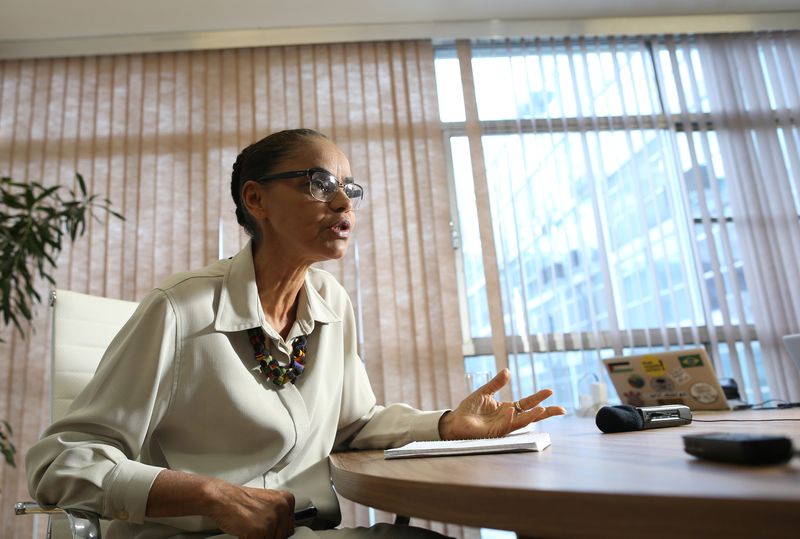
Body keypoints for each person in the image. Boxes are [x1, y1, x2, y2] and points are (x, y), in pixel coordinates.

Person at [26, 129, 566, 539]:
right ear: (256, 200)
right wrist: (212, 495)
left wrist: (447, 424)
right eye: (319, 184)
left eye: (349, 190)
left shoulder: (331, 300)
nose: (343, 204)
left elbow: (355, 424)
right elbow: (61, 463)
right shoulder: (181, 308)